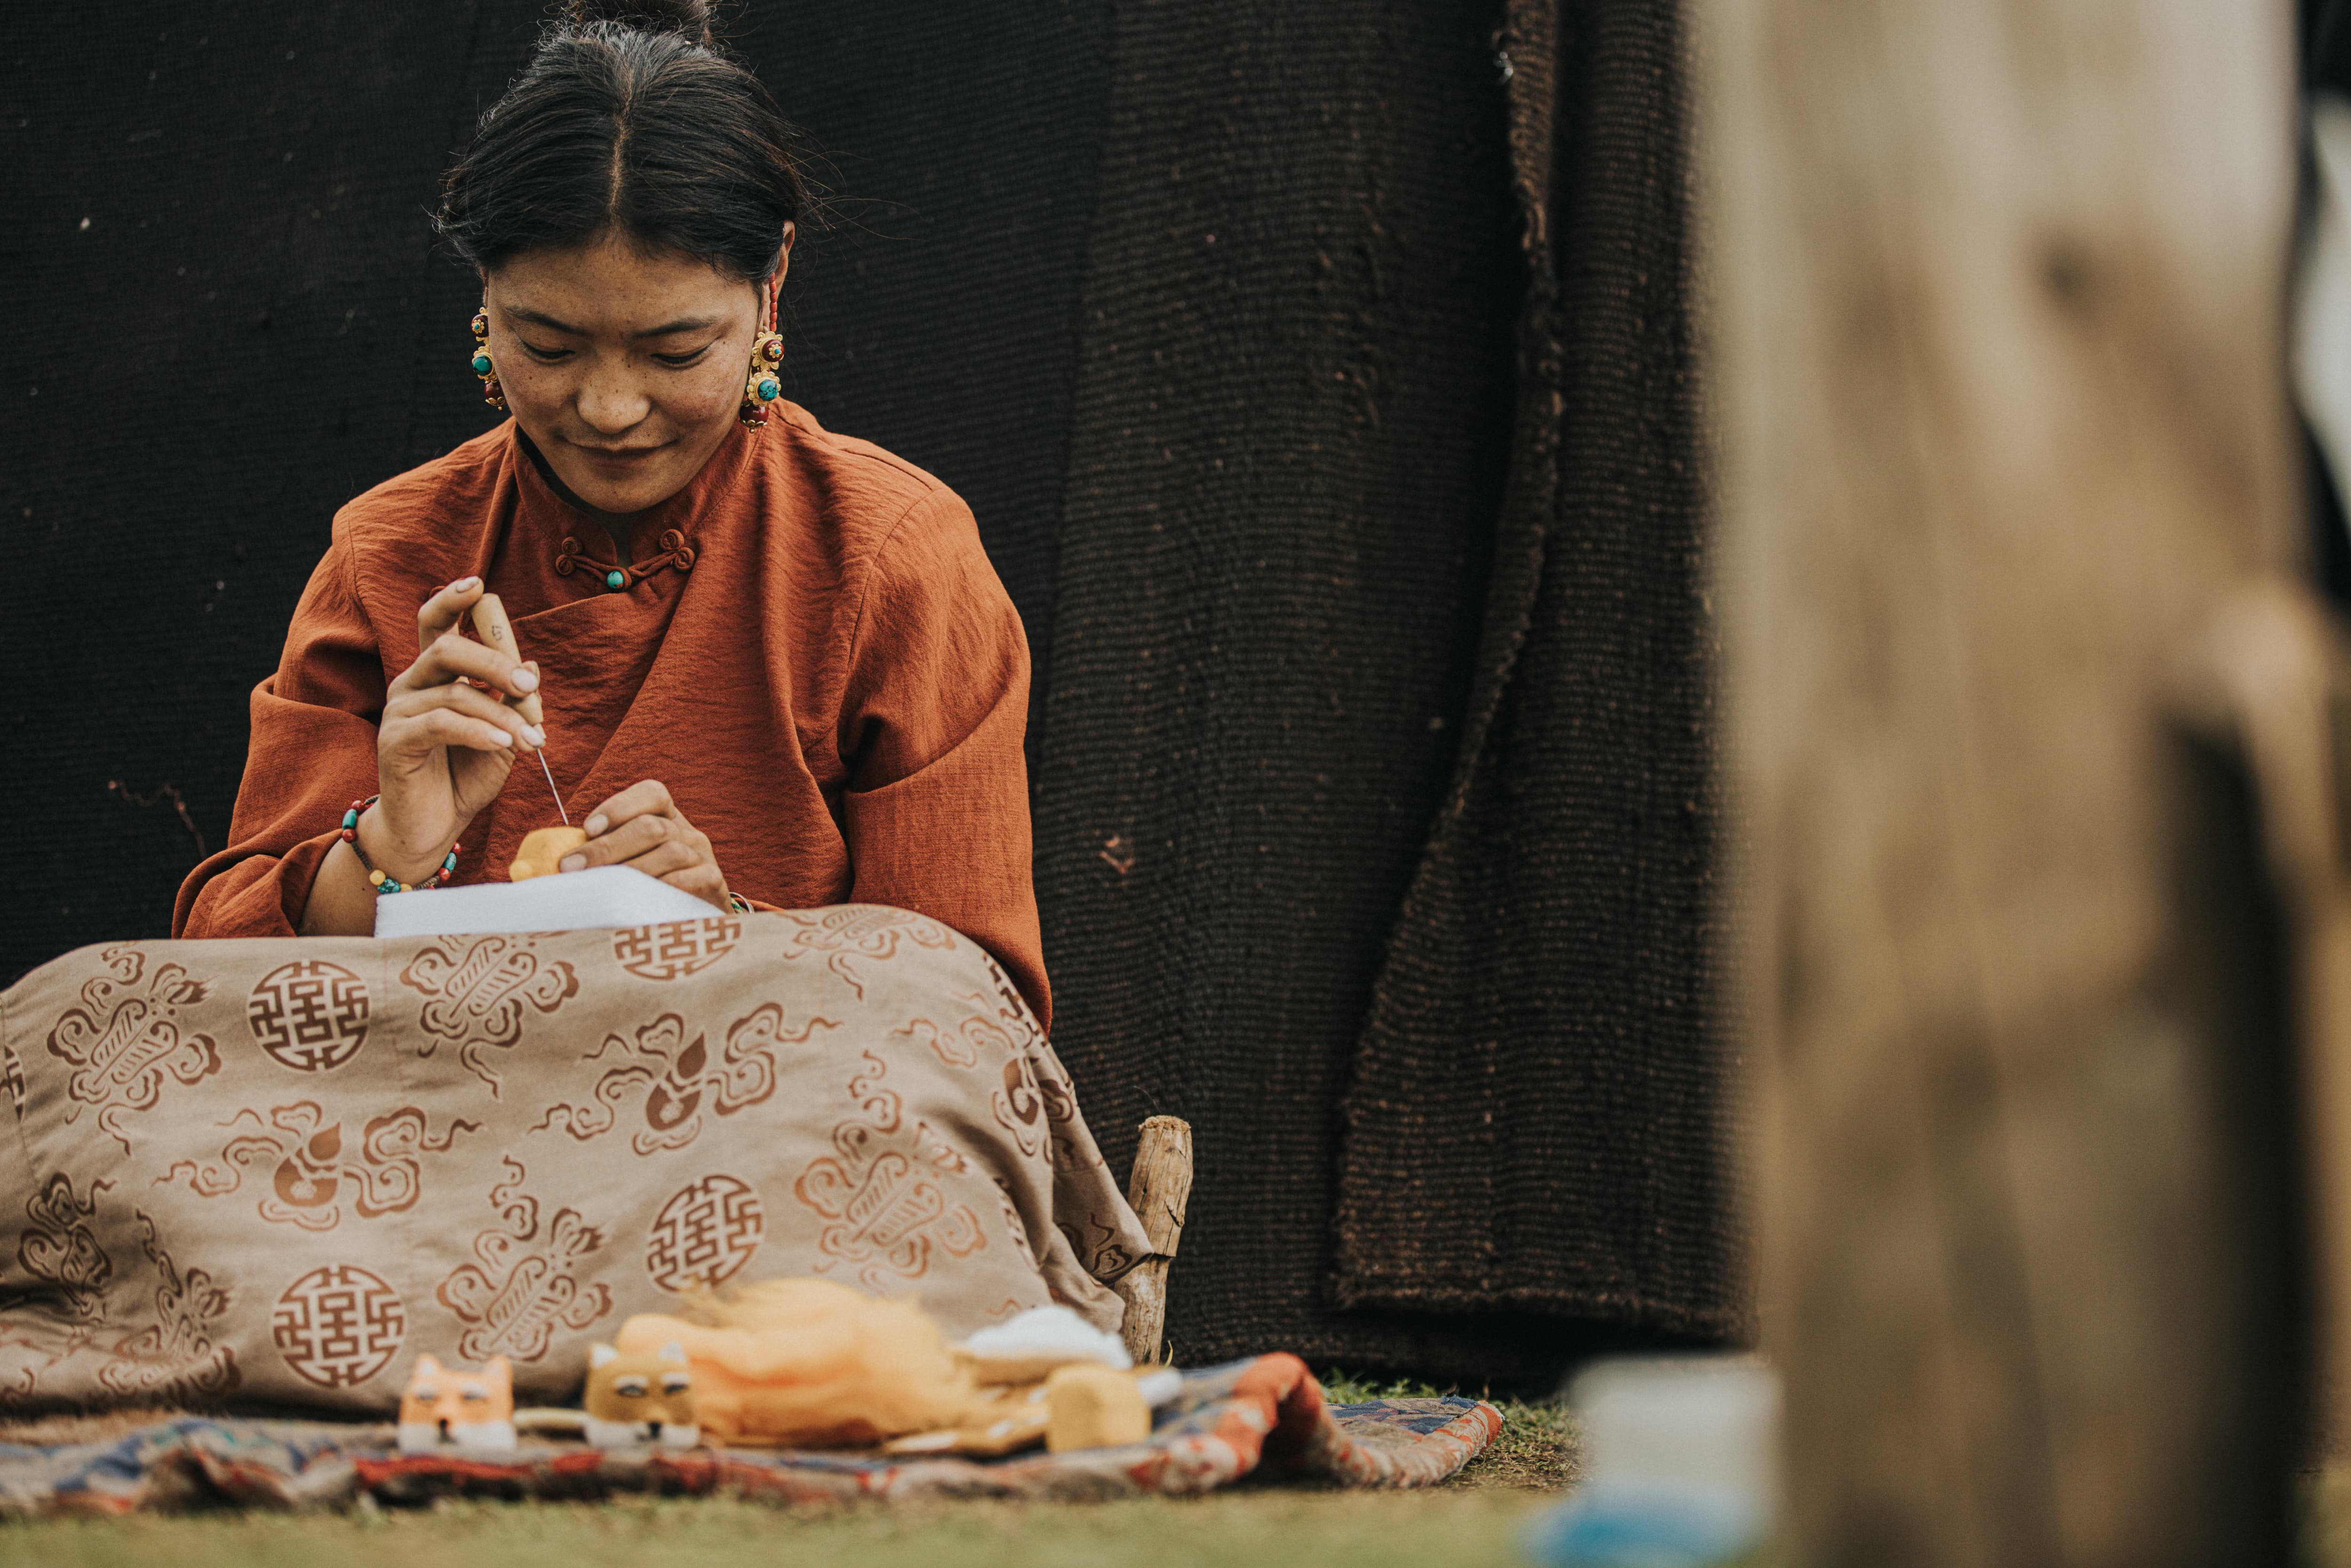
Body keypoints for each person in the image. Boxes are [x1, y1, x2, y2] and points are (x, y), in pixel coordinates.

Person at [173, 0, 1052, 1026]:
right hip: (417, 1159)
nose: (607, 410)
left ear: (771, 289)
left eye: (676, 353)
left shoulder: (895, 559)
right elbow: (213, 998)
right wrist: (387, 850)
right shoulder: (388, 553)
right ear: (484, 300)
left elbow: (980, 1017)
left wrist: (728, 935)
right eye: (546, 347)